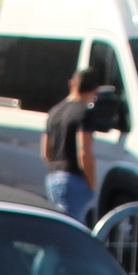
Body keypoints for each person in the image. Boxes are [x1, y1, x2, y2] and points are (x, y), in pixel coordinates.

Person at [41, 67, 98, 224]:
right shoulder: (84, 113)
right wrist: (92, 184)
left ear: (72, 84)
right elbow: (84, 153)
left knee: (56, 227)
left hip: (53, 176)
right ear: (94, 90)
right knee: (73, 229)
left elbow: (45, 151)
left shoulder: (54, 112)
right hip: (74, 179)